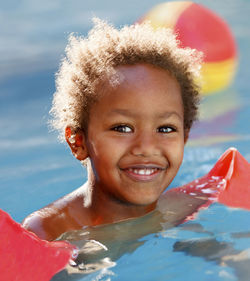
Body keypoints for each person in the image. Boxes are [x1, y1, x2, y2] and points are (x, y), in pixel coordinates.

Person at [22, 18, 203, 241]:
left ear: (185, 138)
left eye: (165, 129)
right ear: (78, 142)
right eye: (122, 128)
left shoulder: (183, 210)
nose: (146, 147)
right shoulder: (48, 232)